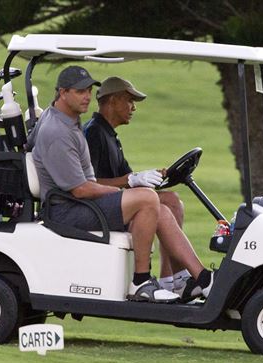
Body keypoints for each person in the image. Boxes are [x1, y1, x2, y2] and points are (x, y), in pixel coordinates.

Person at [28, 66, 213, 303]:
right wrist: (127, 189)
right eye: (80, 91)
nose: (87, 96)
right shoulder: (58, 132)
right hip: (68, 211)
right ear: (62, 93)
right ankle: (141, 281)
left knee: (162, 207)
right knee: (146, 198)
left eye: (88, 90)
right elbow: (80, 188)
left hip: (79, 205)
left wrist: (134, 186)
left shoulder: (67, 122)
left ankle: (203, 279)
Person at [83, 76, 192, 294]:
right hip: (101, 208)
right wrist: (132, 180)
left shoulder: (110, 135)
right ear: (113, 101)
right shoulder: (94, 133)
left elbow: (127, 177)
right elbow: (89, 183)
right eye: (129, 101)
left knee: (172, 200)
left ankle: (171, 279)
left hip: (117, 201)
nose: (133, 108)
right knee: (165, 204)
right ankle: (178, 278)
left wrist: (150, 176)